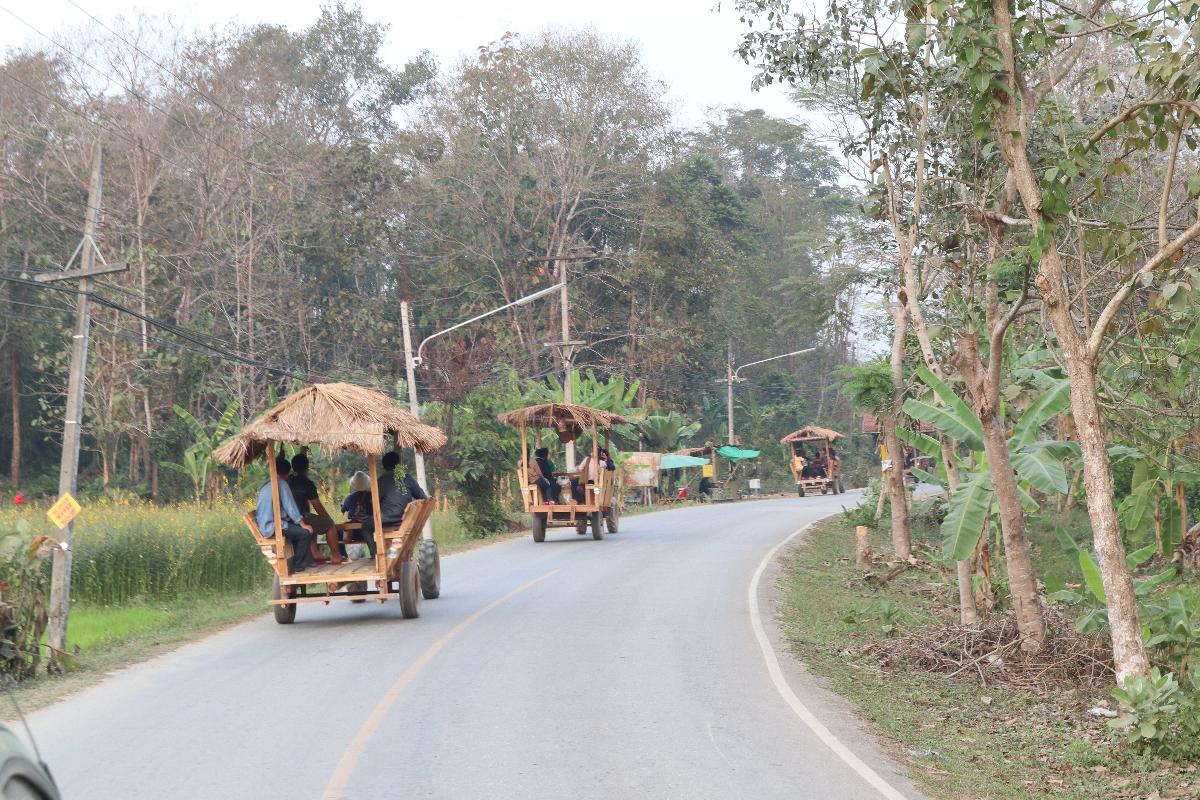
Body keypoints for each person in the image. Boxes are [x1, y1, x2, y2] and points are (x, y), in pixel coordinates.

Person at [256, 455, 315, 573]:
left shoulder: (267, 483)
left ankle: (308, 561)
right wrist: (302, 524)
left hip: (266, 524)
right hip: (273, 526)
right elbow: (291, 507)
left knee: (299, 528)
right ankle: (298, 565)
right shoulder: (281, 484)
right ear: (287, 474)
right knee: (305, 533)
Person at [288, 453, 343, 566]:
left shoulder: (288, 480)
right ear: (307, 467)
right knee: (328, 523)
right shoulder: (307, 483)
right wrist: (328, 519)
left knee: (312, 519)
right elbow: (317, 506)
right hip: (299, 520)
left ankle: (316, 553)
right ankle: (336, 556)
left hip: (287, 521)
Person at [361, 452, 415, 555]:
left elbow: (374, 502)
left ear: (384, 466)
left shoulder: (381, 481)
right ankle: (390, 554)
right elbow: (422, 497)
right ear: (398, 464)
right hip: (406, 517)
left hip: (386, 518)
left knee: (365, 526)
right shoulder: (408, 478)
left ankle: (375, 555)